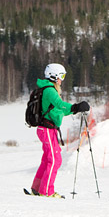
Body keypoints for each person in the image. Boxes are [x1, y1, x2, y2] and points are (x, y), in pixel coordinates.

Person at [31, 63, 90, 198]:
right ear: (54, 76)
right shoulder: (50, 90)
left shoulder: (48, 89)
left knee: (48, 159)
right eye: (61, 76)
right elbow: (60, 105)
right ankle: (46, 191)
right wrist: (76, 107)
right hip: (46, 129)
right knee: (55, 159)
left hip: (48, 129)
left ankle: (37, 188)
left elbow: (59, 111)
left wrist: (75, 109)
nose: (62, 79)